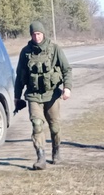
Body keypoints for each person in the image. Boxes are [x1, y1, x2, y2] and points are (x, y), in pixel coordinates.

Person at [14, 21, 72, 170]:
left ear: (43, 34)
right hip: (34, 96)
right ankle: (40, 157)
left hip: (51, 94)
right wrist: (17, 96)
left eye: (38, 34)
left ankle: (56, 152)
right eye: (34, 34)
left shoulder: (54, 49)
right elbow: (20, 76)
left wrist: (67, 88)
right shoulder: (26, 52)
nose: (36, 37)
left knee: (55, 127)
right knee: (37, 125)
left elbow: (66, 69)